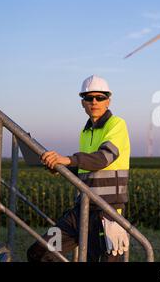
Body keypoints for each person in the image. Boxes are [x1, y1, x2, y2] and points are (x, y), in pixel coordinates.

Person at [27, 75, 131, 262]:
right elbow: (86, 169)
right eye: (88, 98)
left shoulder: (117, 124)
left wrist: (67, 160)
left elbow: (103, 158)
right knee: (39, 252)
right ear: (82, 103)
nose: (94, 102)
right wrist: (60, 167)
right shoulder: (85, 132)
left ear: (109, 100)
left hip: (106, 213)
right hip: (80, 212)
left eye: (99, 97)